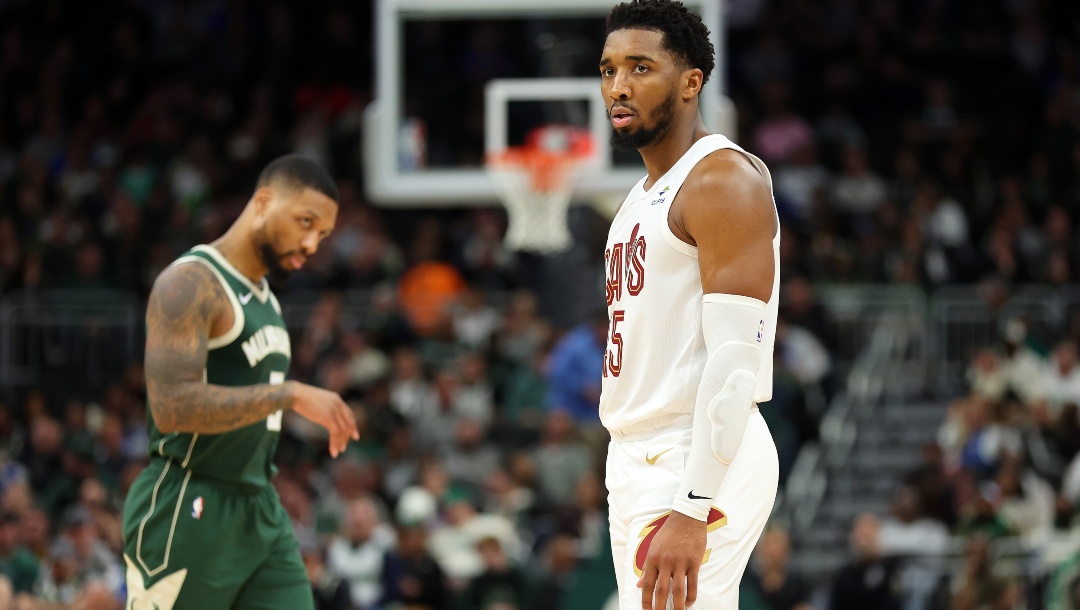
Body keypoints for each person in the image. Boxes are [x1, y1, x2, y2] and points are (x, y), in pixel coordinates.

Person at [598, 1, 781, 608]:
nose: (619, 87)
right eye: (608, 70)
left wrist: (692, 504)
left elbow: (735, 360)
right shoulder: (640, 196)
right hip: (636, 456)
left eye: (640, 67)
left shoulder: (721, 180)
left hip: (693, 457)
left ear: (690, 82)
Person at [121, 154, 359, 609]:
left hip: (258, 506)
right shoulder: (190, 282)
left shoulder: (266, 299)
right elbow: (172, 406)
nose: (312, 244)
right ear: (264, 203)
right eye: (305, 222)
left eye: (323, 235)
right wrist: (288, 394)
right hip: (189, 500)